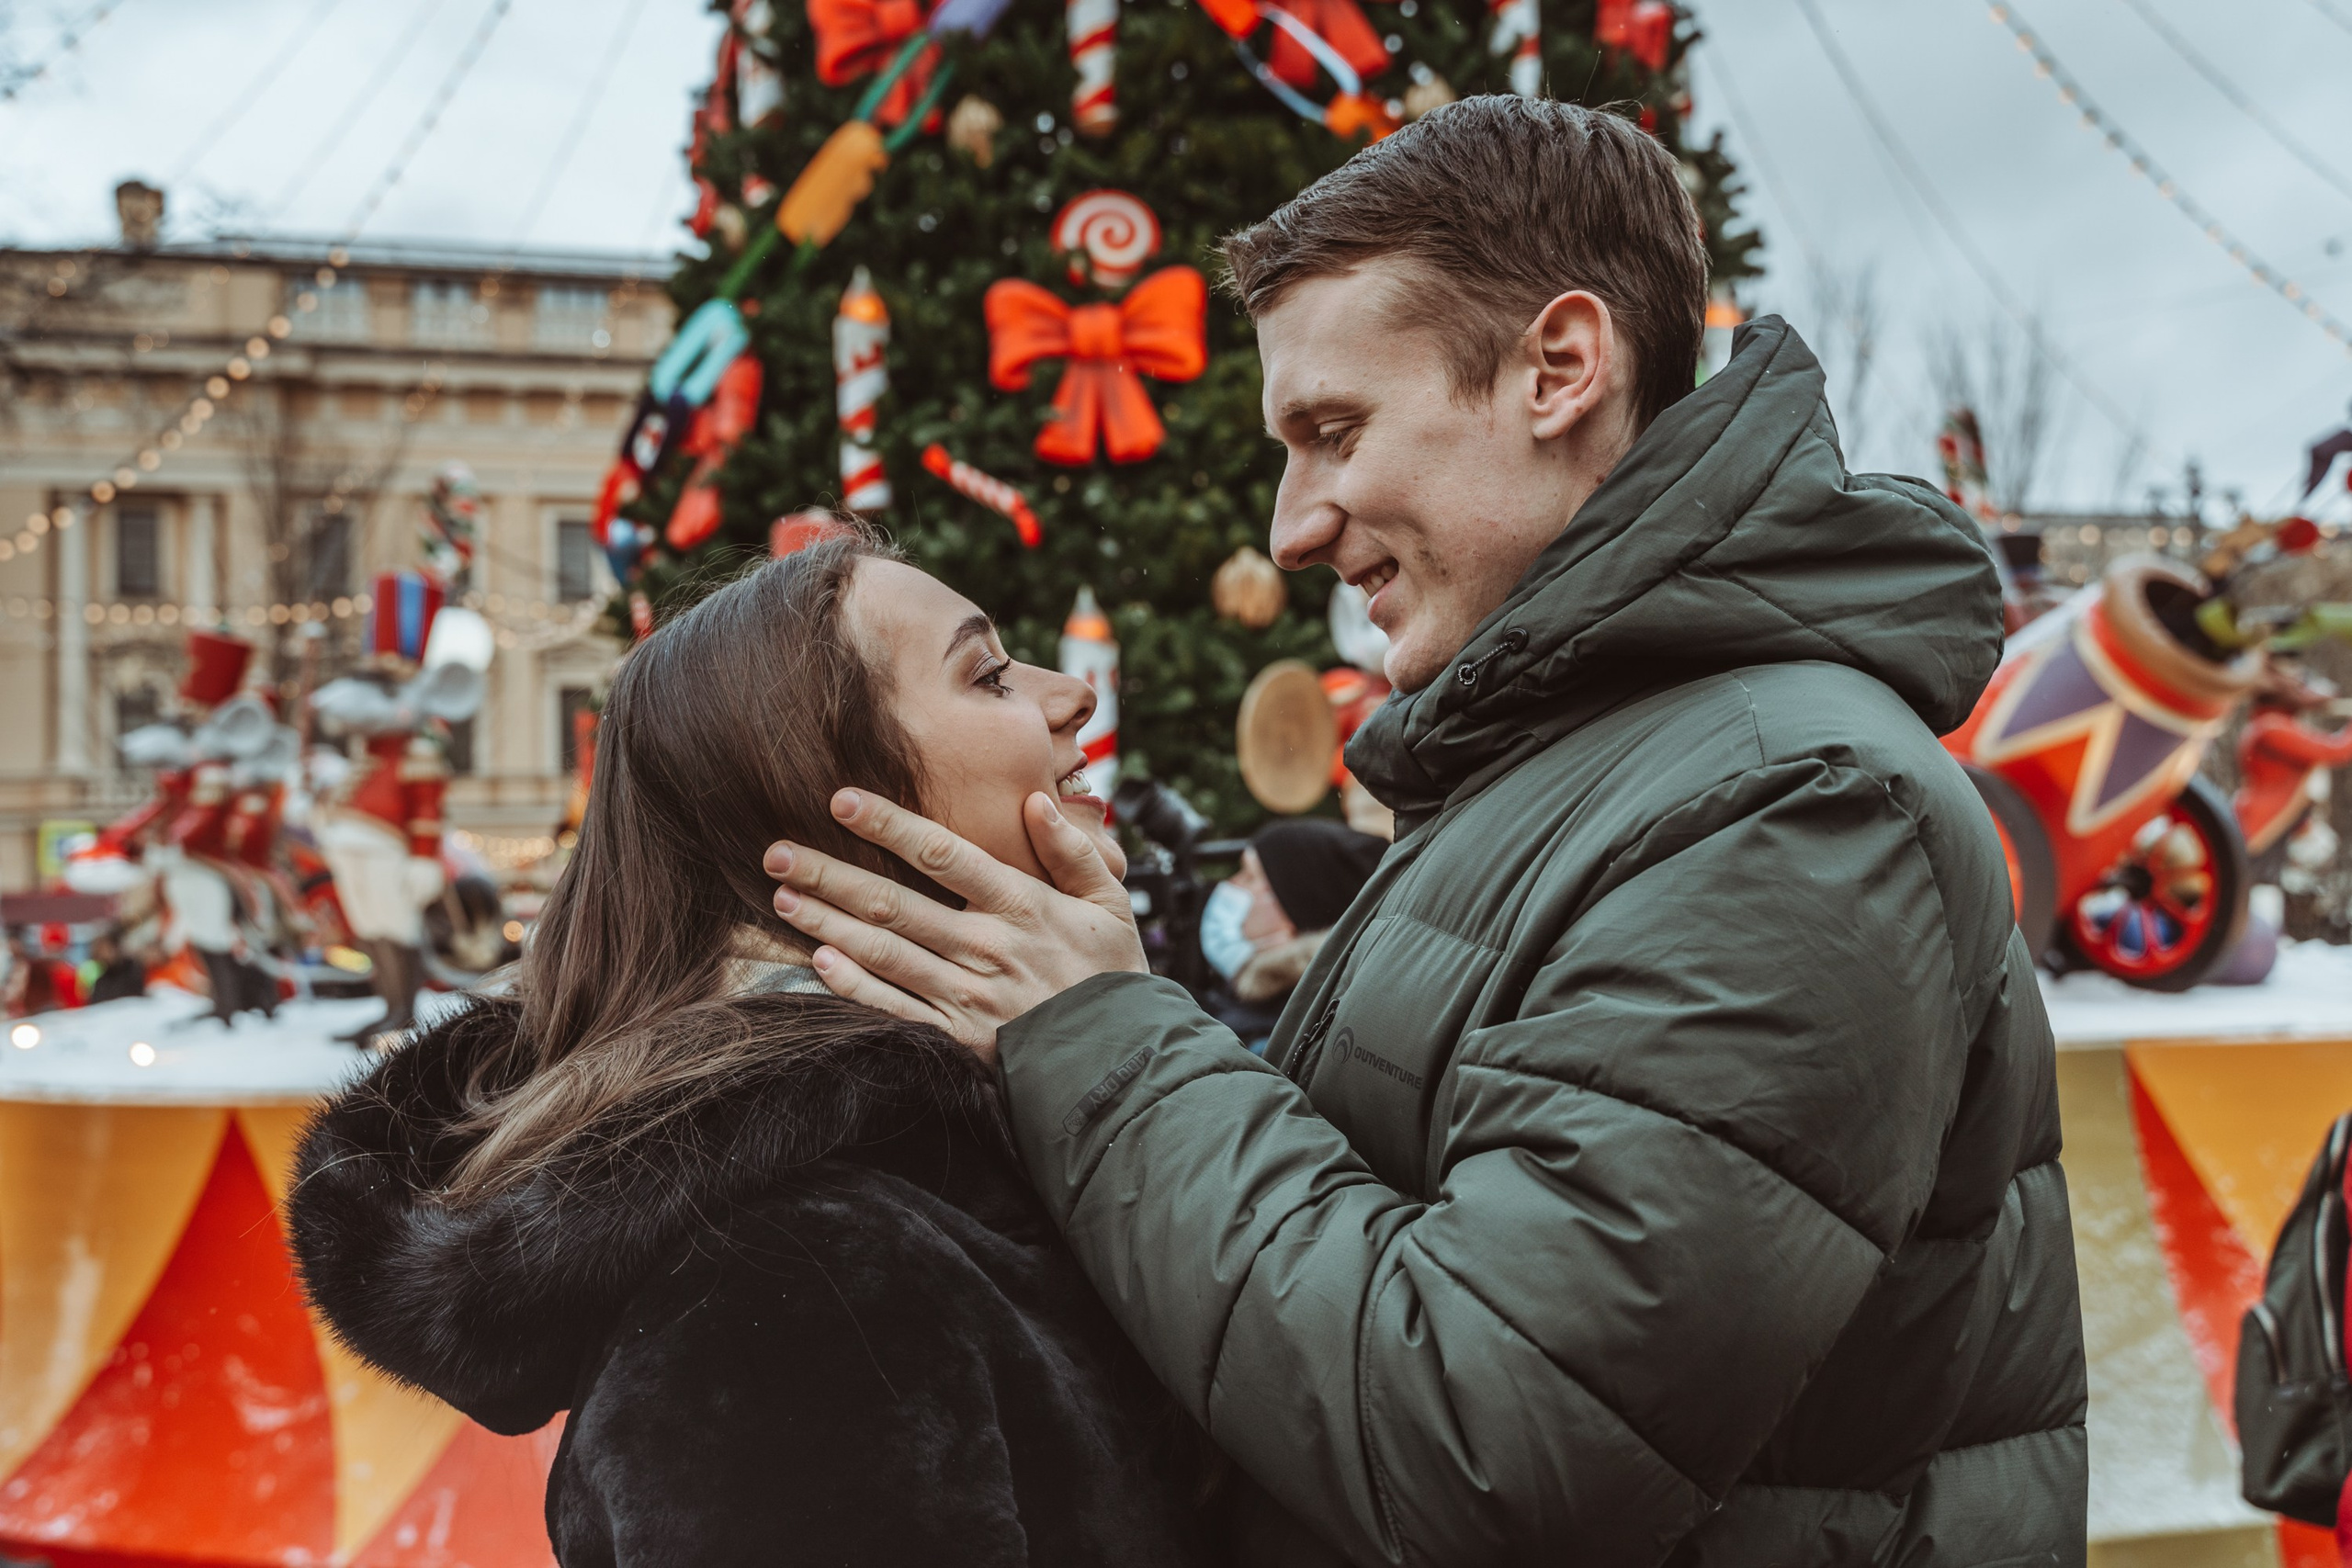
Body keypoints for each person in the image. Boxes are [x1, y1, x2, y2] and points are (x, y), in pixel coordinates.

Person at [760, 96, 2087, 1566]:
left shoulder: (1798, 802)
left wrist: (1104, 1041)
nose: (1294, 526)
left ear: (1560, 369)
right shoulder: (1585, 761)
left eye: (1332, 431)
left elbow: (1490, 1447)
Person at [288, 536, 1316, 1567]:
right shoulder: (795, 1270)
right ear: (823, 792)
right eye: (990, 673)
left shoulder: (978, 1130)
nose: (1070, 696)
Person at [1204, 819, 1385, 1050]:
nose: (1232, 884)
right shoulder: (1255, 1006)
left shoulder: (1270, 1044)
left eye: (1250, 877)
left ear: (1292, 910)